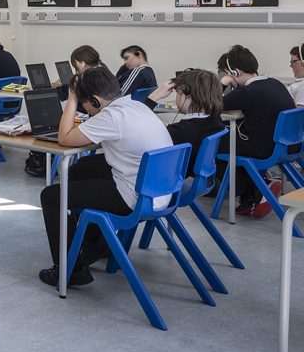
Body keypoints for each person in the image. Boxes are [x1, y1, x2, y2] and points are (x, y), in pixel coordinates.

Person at [38, 66, 172, 288]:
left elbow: (65, 138)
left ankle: (70, 270)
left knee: (51, 196)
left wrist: (71, 99)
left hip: (136, 197)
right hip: (160, 190)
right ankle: (94, 245)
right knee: (81, 168)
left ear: (95, 100)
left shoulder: (111, 116)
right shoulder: (136, 106)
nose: (85, 109)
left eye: (85, 104)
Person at [217, 44, 295, 217]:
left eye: (226, 74)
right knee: (230, 138)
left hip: (265, 149)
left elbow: (212, 104)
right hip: (288, 146)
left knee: (214, 143)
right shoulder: (274, 83)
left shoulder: (248, 91)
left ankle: (254, 193)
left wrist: (222, 84)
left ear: (235, 73)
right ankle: (259, 187)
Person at [28, 44, 107, 176]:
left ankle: (43, 163)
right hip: (94, 123)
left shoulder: (83, 79)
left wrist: (43, 93)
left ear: (81, 63)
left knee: (48, 127)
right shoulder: (104, 73)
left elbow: (61, 94)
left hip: (82, 121)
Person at [143, 69, 226, 171]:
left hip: (173, 180)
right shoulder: (216, 119)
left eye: (177, 92)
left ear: (187, 94)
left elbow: (137, 126)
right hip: (199, 178)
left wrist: (153, 97)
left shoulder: (179, 132)